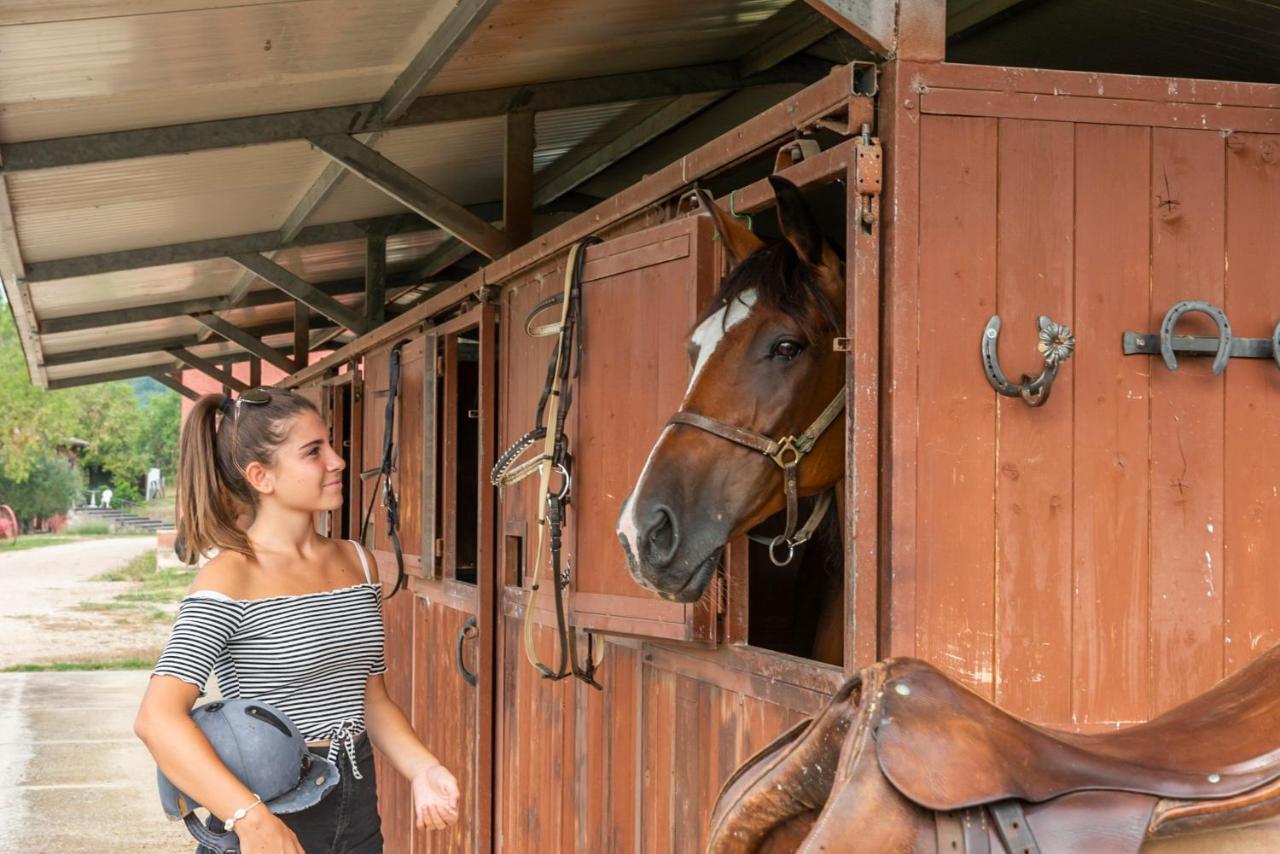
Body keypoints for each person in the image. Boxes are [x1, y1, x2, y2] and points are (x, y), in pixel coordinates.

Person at [134, 389, 459, 853]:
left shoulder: (357, 562)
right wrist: (251, 820)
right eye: (313, 451)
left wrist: (424, 768)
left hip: (356, 805)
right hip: (274, 810)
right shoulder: (229, 576)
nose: (337, 461)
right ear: (261, 476)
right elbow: (156, 718)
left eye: (330, 445)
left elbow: (370, 698)